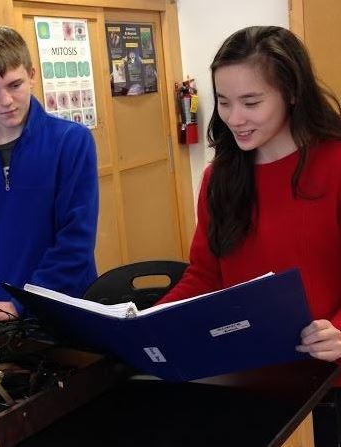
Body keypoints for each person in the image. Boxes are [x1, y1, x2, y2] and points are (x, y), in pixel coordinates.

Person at [156, 25, 341, 445]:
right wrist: (149, 324)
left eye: (251, 102)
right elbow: (204, 276)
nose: (234, 118)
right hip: (247, 377)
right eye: (223, 102)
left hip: (327, 382)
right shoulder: (220, 178)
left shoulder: (335, 164)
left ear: (292, 93)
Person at [0, 25, 99, 327]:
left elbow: (76, 240)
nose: (6, 101)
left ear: (32, 75)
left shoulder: (72, 140)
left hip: (64, 306)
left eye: (14, 85)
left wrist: (22, 303)